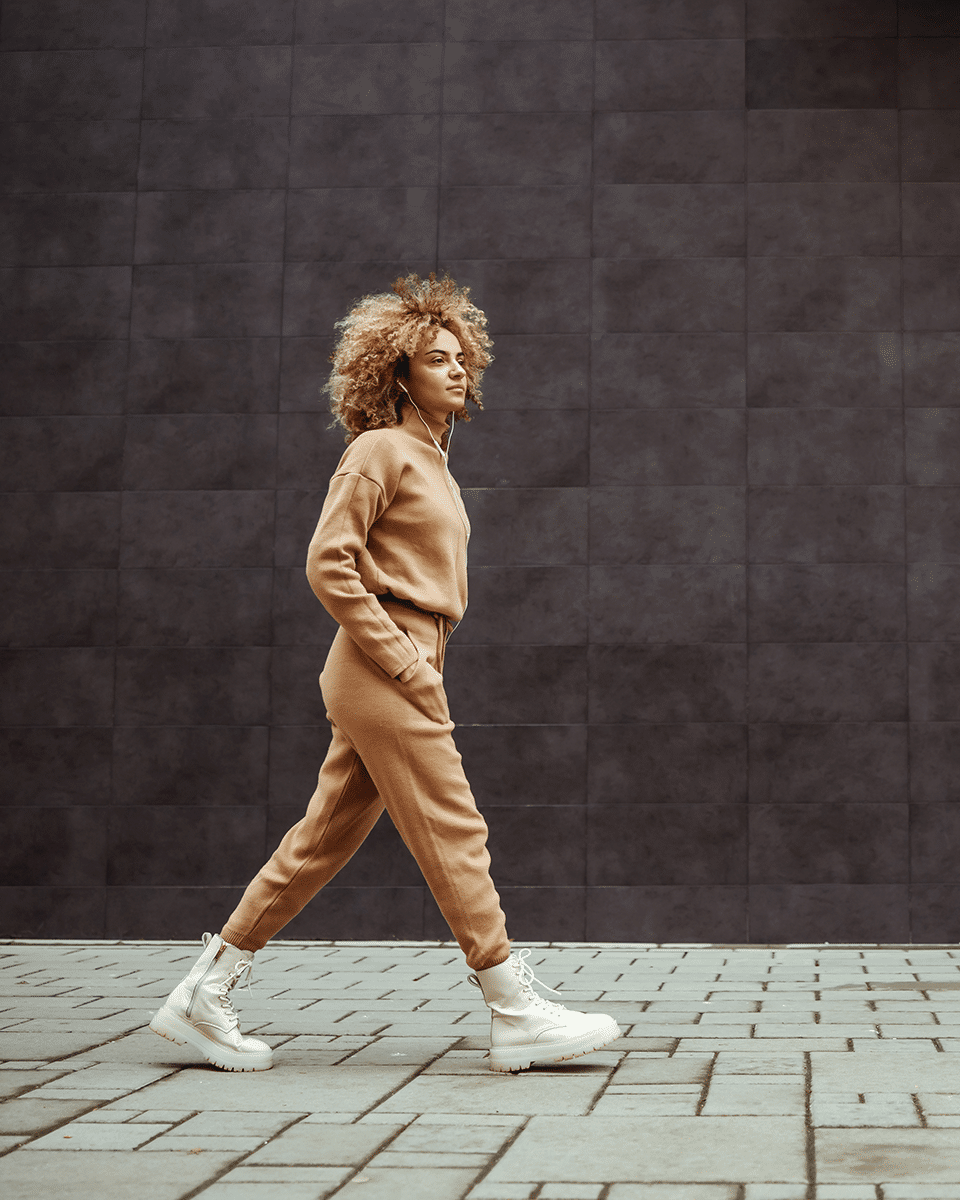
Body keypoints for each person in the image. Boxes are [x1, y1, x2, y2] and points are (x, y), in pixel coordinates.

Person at [147, 273, 618, 1074]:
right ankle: (513, 1008)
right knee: (456, 826)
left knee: (319, 843)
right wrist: (404, 660)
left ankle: (203, 994)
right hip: (384, 662)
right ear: (396, 373)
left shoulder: (431, 459)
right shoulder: (378, 449)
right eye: (438, 359)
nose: (459, 369)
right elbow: (328, 563)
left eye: (462, 356)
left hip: (406, 659)